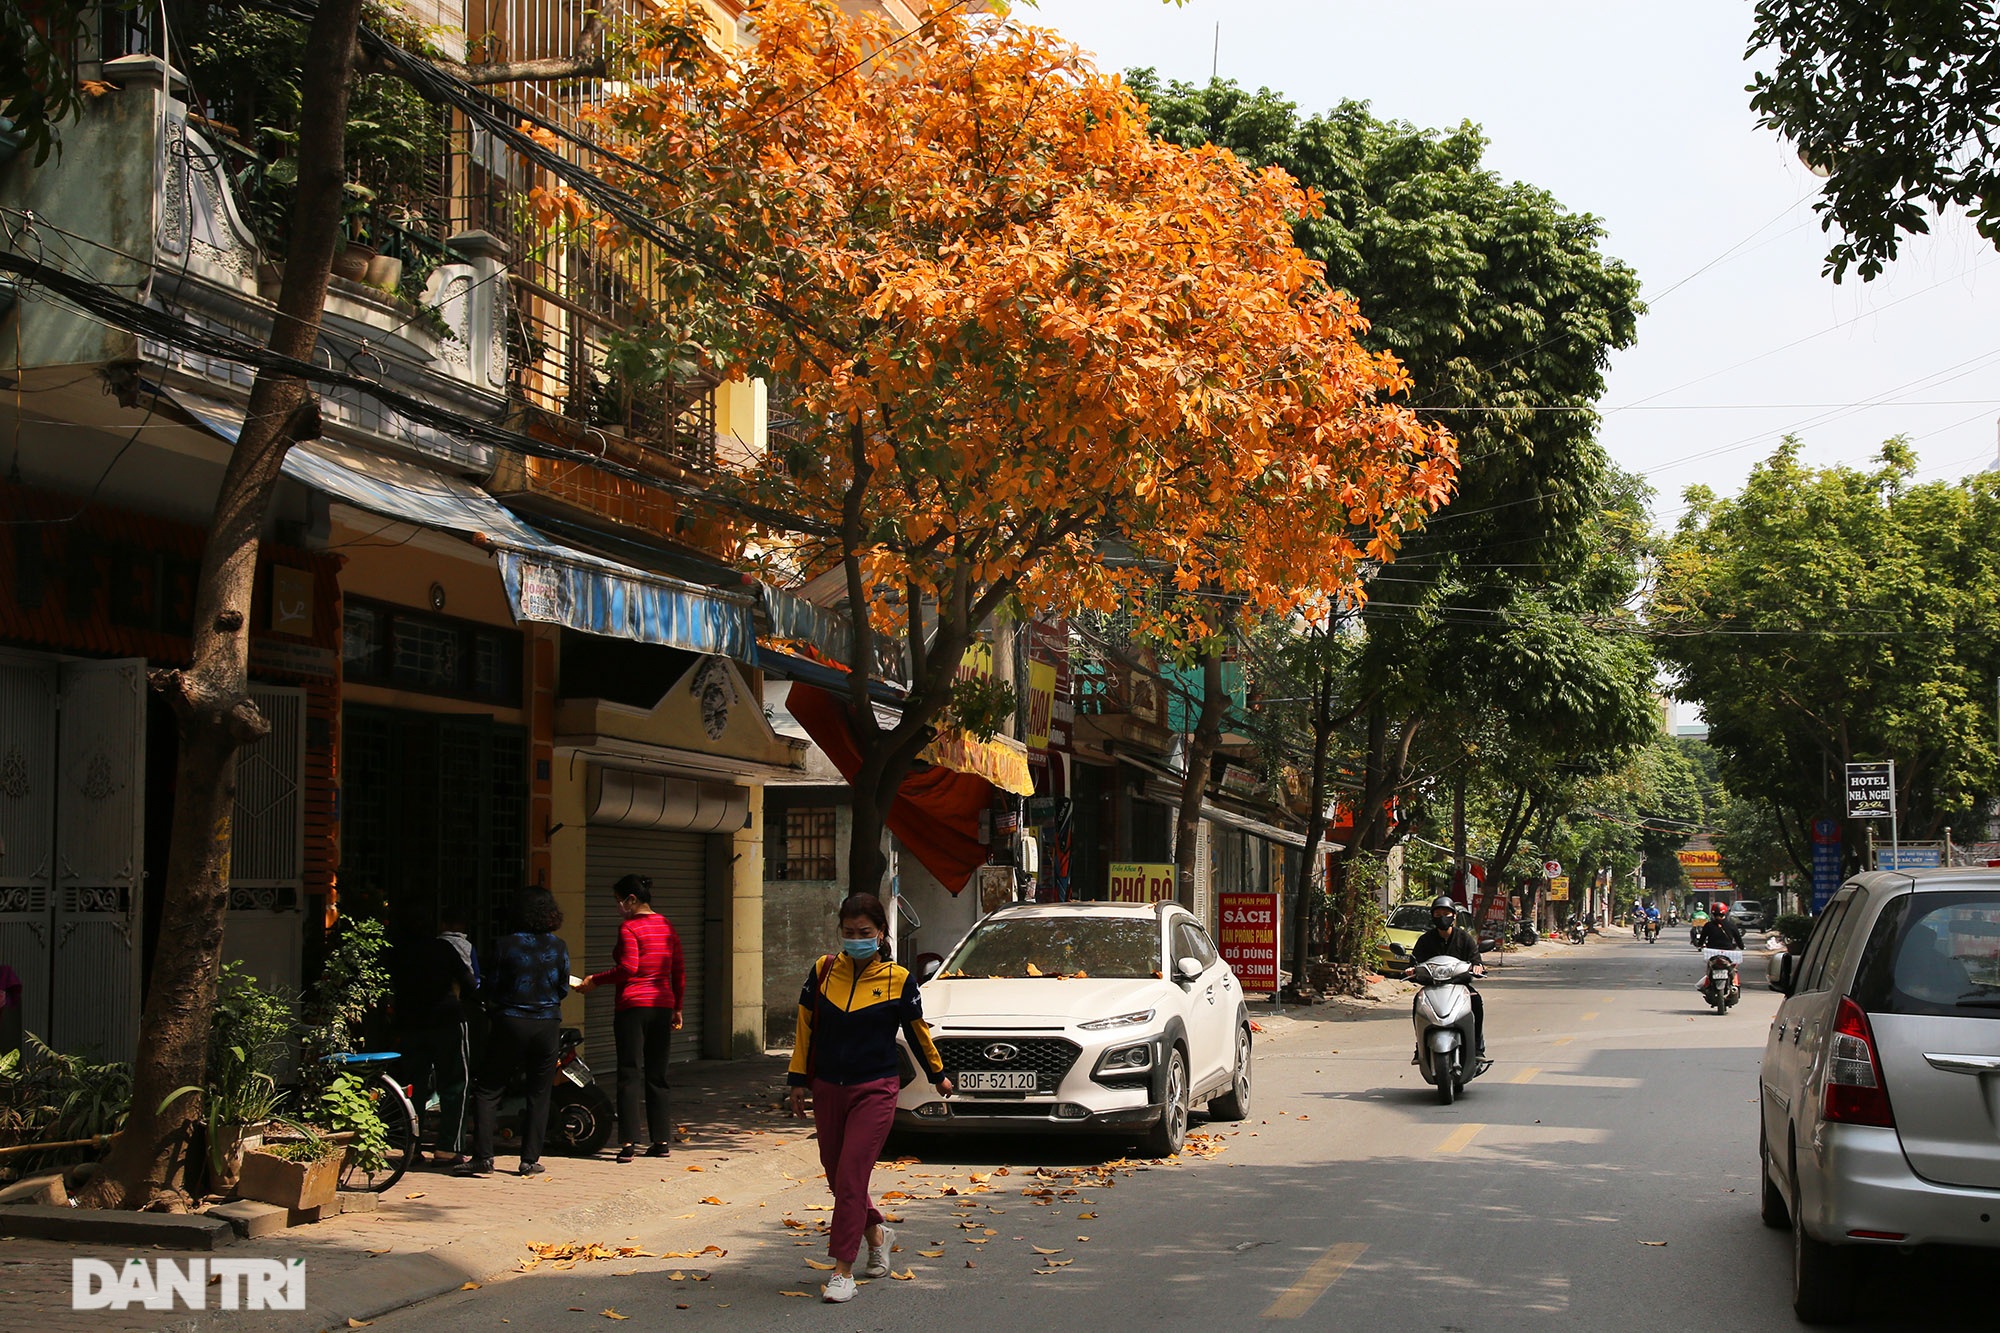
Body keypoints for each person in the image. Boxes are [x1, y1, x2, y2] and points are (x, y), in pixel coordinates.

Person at [786, 893, 953, 1304]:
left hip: (875, 1088)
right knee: (835, 1173)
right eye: (848, 932)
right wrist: (796, 1079)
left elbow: (916, 1031)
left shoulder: (898, 978)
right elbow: (805, 1025)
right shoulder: (823, 971)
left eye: (864, 933)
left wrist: (938, 1074)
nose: (856, 939)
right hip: (827, 1086)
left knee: (852, 1174)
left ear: (880, 934)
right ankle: (877, 1232)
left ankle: (842, 1270)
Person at [458, 888, 570, 1179]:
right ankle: (529, 1160)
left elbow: (491, 986)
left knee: (488, 1089)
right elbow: (562, 989)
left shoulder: (505, 945)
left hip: (511, 1021)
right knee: (540, 1092)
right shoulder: (559, 946)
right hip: (547, 1023)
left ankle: (483, 1156)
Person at [577, 874, 685, 1163]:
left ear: (632, 900)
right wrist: (677, 1007)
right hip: (662, 1006)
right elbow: (678, 969)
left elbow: (627, 968)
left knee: (629, 1073)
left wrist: (594, 981)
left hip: (632, 1008)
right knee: (657, 1074)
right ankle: (661, 1140)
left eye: (618, 901)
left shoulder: (629, 928)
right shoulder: (666, 926)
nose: (618, 906)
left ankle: (627, 1143)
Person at [397, 910, 480, 1167]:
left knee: (413, 1087)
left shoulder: (399, 952)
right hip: (447, 1021)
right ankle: (448, 1148)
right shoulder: (444, 949)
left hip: (411, 1024)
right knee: (455, 1084)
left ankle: (411, 1147)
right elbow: (469, 984)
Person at [1406, 895, 1488, 1057]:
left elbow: (1476, 960)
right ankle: (1420, 1045)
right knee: (1417, 1002)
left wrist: (1478, 967)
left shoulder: (1464, 938)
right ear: (1432, 917)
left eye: (1446, 914)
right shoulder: (1425, 940)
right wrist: (1411, 970)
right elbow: (1414, 962)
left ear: (1454, 916)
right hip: (1433, 986)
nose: (1442, 918)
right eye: (1437, 915)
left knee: (1476, 1000)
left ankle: (1477, 1045)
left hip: (1460, 986)